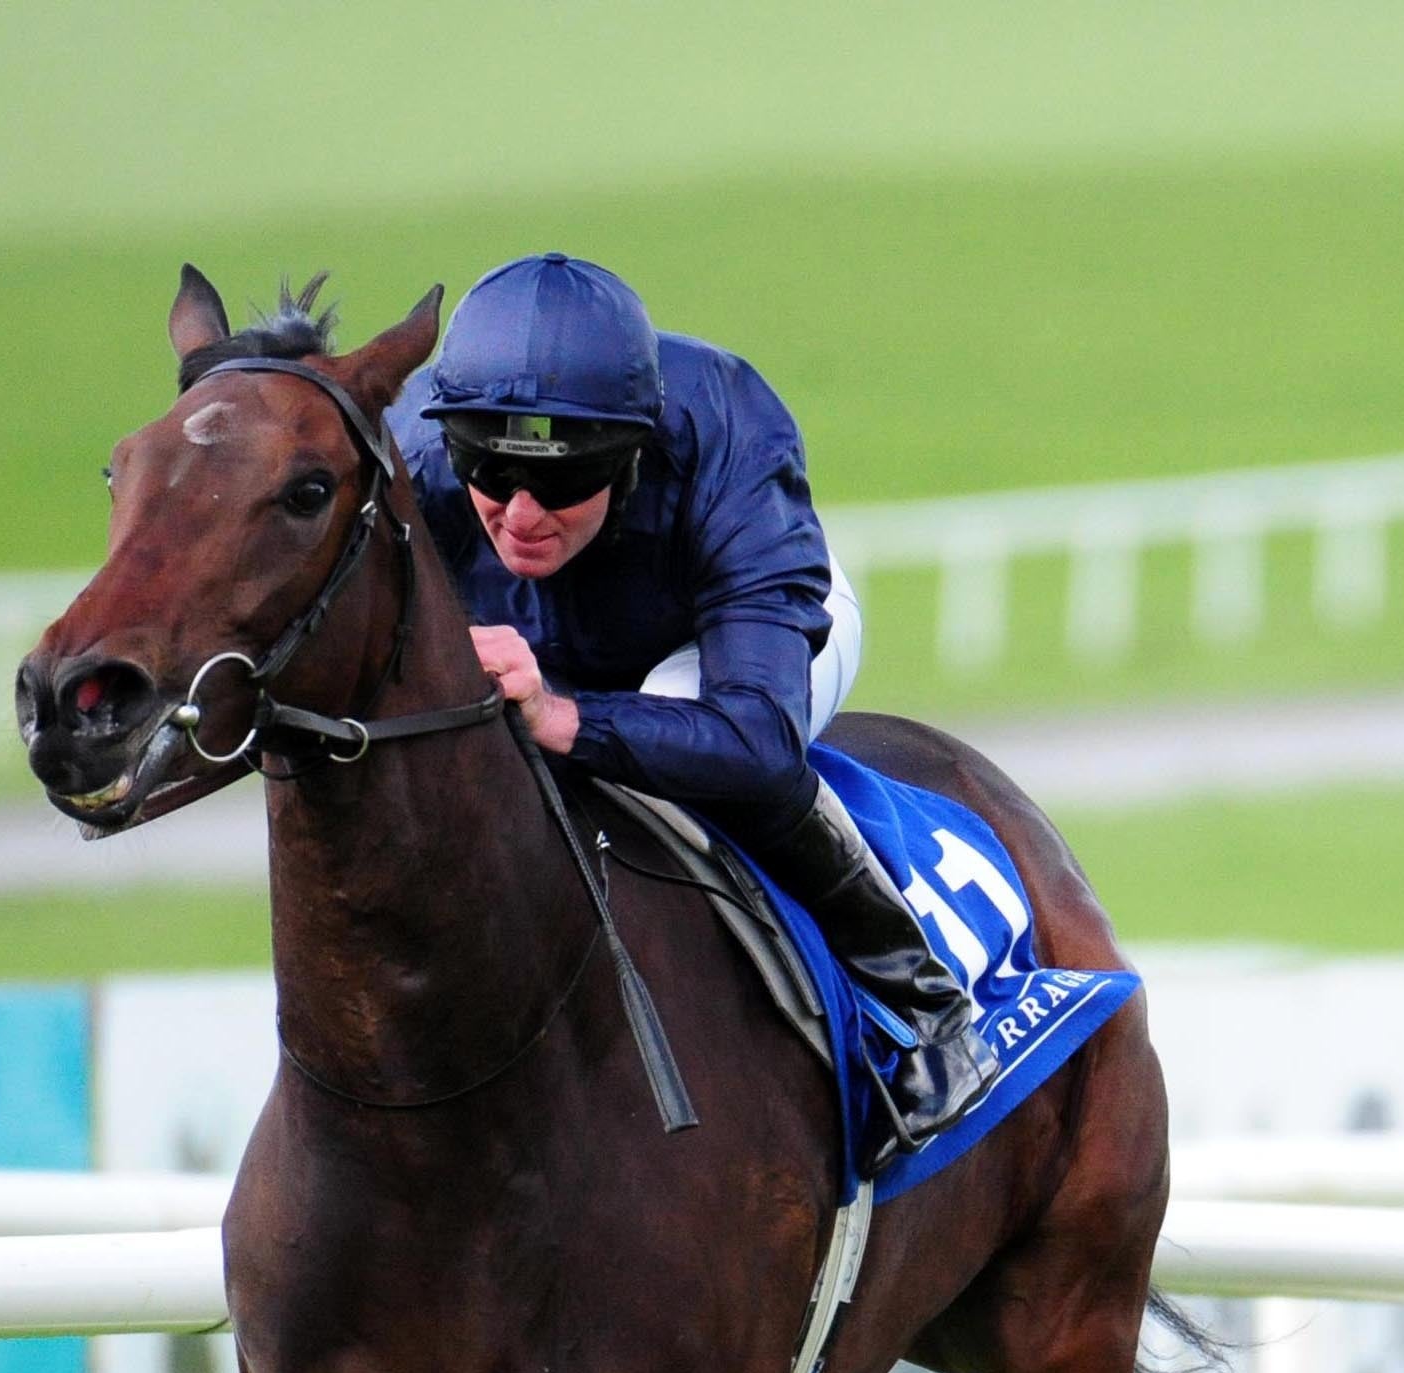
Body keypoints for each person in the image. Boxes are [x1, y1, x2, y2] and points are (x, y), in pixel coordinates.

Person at [389, 252, 998, 1163]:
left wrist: (565, 718)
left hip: (720, 637)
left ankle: (922, 1002)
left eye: (559, 484)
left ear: (630, 453)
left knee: (682, 738)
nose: (518, 515)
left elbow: (755, 742)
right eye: (486, 469)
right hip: (535, 641)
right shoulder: (410, 453)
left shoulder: (727, 427)